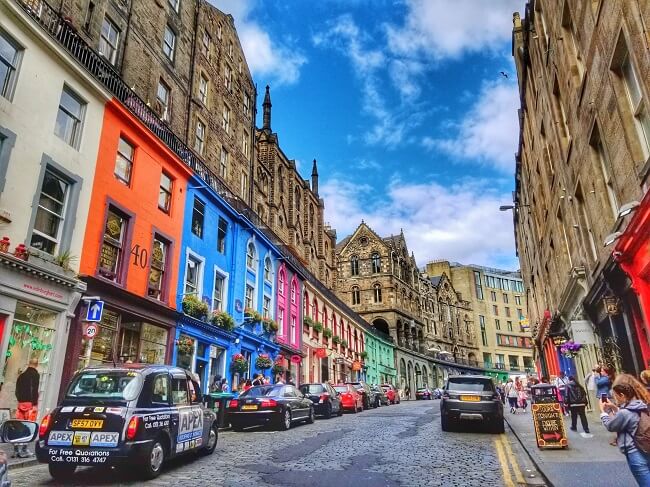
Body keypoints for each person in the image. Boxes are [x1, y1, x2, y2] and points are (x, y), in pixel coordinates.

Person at [600, 375, 650, 486]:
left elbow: (611, 426)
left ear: (622, 395)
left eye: (615, 395)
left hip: (635, 452)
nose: (614, 397)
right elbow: (630, 418)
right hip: (647, 446)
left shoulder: (625, 413)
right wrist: (615, 408)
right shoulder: (641, 405)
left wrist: (603, 412)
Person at [14, 358, 40, 458]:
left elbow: (17, 391)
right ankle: (24, 449)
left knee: (19, 427)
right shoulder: (35, 375)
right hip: (30, 405)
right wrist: (34, 404)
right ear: (36, 364)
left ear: (29, 363)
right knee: (29, 427)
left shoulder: (21, 376)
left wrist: (20, 400)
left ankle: (16, 449)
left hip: (21, 404)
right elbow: (35, 390)